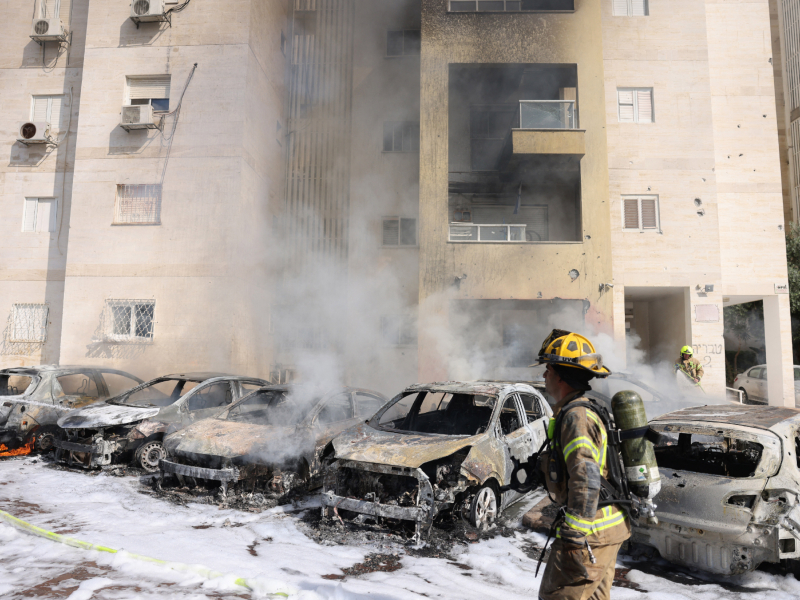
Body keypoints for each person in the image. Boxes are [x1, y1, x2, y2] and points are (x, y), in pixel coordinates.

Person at [533, 330, 631, 600]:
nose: (544, 376)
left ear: (561, 376)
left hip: (590, 532)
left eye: (548, 369)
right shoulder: (586, 407)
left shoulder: (576, 416)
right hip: (609, 527)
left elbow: (585, 475)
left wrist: (574, 534)